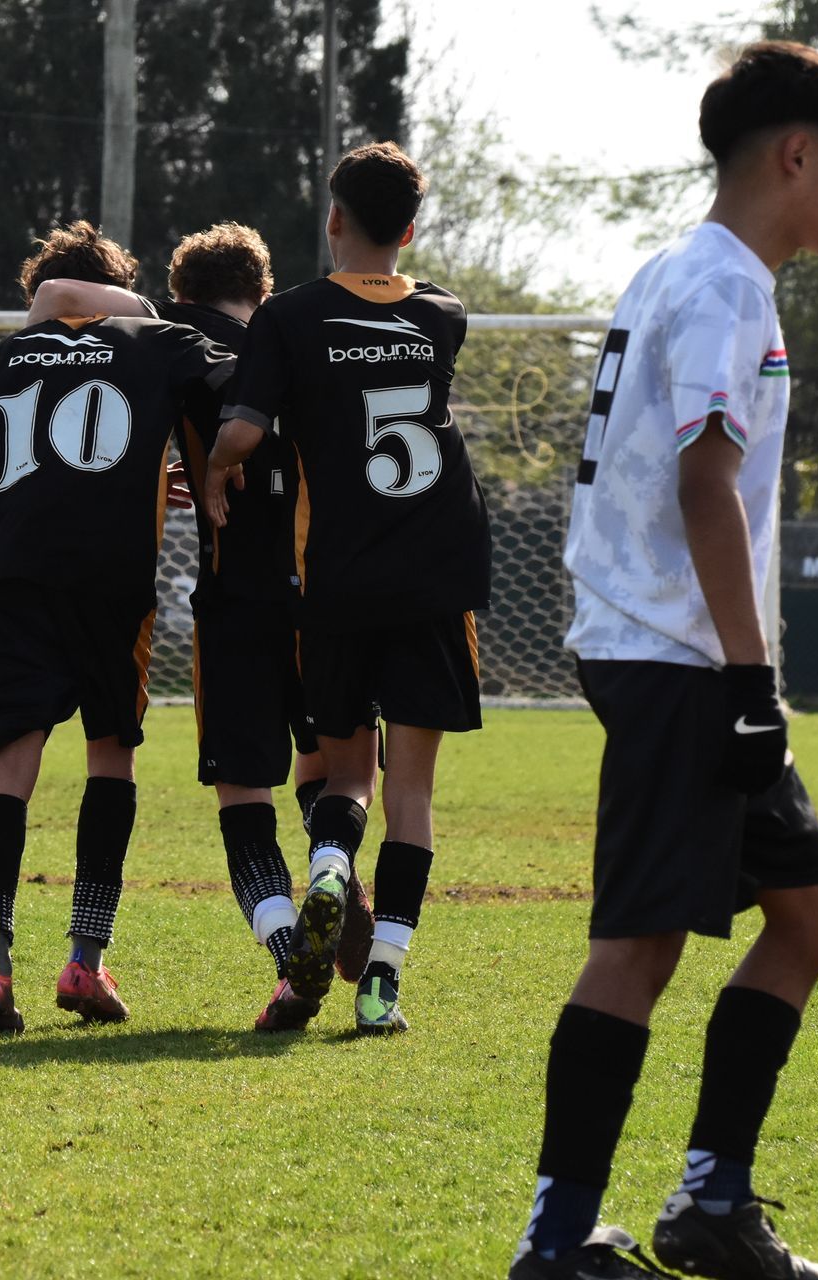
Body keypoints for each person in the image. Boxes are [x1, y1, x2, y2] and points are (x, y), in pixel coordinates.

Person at [509, 42, 818, 1280]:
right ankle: (555, 1243)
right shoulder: (722, 285)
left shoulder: (686, 269)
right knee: (640, 943)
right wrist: (750, 680)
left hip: (678, 653)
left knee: (811, 912)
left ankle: (712, 1203)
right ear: (796, 155)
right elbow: (705, 485)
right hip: (679, 657)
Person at [27, 224, 375, 1032]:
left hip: (235, 600)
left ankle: (291, 960)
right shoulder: (307, 337)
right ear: (263, 289)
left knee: (242, 794)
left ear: (181, 294)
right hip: (326, 593)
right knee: (329, 767)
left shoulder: (172, 341)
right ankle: (335, 869)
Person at [203, 141, 491, 1035]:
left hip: (337, 577)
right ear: (411, 228)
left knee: (347, 772)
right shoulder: (441, 314)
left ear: (333, 217)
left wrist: (212, 471)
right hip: (438, 570)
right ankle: (382, 988)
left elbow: (245, 431)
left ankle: (329, 867)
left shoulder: (288, 317)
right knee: (414, 795)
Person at [0, 222, 235, 1032]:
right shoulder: (154, 341)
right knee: (111, 754)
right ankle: (85, 957)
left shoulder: (4, 357)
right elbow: (242, 392)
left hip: (12, 578)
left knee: (10, 765)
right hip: (110, 580)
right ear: (118, 287)